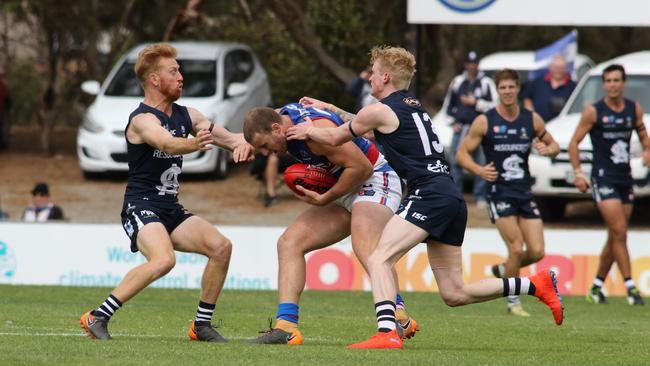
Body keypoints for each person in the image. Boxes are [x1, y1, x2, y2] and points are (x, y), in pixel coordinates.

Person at [288, 45, 564, 349]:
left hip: (429, 194)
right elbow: (363, 125)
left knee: (379, 256)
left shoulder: (380, 111)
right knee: (454, 293)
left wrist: (307, 130)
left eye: (374, 74)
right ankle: (534, 284)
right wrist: (329, 107)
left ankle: (387, 333)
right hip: (449, 196)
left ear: (386, 77)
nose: (370, 79)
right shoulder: (408, 106)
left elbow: (335, 136)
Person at [80, 43, 254, 341]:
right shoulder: (142, 120)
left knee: (221, 248)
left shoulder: (189, 115)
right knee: (164, 259)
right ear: (155, 80)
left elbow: (232, 138)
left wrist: (262, 135)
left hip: (171, 208)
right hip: (140, 206)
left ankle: (201, 326)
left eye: (180, 70)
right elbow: (166, 143)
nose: (181, 76)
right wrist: (195, 143)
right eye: (173, 71)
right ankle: (97, 316)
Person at [243, 103, 418, 345]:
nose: (265, 153)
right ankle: (286, 328)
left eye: (264, 145)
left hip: (375, 178)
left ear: (276, 128)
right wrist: (243, 143)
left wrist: (326, 198)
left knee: (365, 246)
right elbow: (260, 120)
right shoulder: (280, 123)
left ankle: (397, 316)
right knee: (289, 243)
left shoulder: (314, 134)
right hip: (345, 183)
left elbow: (362, 167)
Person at [456, 69, 560, 317]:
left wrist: (549, 151)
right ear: (498, 90)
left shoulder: (532, 119)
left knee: (537, 252)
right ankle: (513, 301)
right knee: (516, 247)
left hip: (524, 191)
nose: (507, 91)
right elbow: (461, 154)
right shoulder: (485, 120)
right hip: (498, 192)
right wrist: (479, 170)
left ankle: (504, 270)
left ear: (518, 88)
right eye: (503, 88)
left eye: (511, 87)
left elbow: (555, 145)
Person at [568, 64, 650, 306]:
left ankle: (595, 287)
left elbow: (644, 138)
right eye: (608, 81)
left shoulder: (633, 109)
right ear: (604, 85)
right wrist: (578, 173)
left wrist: (647, 151)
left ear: (623, 83)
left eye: (616, 80)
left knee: (615, 235)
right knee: (620, 231)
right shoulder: (594, 112)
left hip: (625, 179)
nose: (612, 85)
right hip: (602, 178)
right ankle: (631, 287)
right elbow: (574, 143)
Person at [446, 51, 496, 206]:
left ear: (478, 65)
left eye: (475, 63)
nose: (472, 66)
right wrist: (452, 122)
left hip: (480, 129)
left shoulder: (486, 83)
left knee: (482, 161)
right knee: (455, 161)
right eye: (470, 63)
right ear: (465, 65)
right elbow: (449, 105)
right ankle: (456, 195)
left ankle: (480, 196)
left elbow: (495, 106)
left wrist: (476, 103)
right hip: (461, 129)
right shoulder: (458, 81)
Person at [523, 55, 576, 122]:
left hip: (563, 125)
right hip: (538, 124)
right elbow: (527, 97)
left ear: (566, 68)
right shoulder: (537, 82)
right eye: (556, 67)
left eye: (561, 67)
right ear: (551, 67)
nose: (558, 70)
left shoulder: (573, 86)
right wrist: (530, 113)